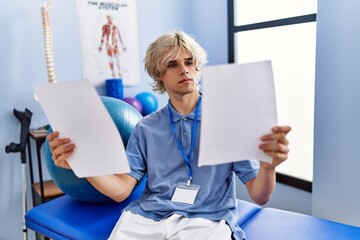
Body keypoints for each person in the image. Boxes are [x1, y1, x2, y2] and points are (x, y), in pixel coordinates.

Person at [48, 31, 291, 240]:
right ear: (159, 76)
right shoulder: (146, 128)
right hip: (147, 218)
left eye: (189, 62)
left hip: (208, 218)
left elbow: (259, 196)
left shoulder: (227, 120)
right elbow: (121, 190)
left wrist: (268, 168)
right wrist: (83, 165)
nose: (184, 70)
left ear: (198, 66)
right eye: (172, 65)